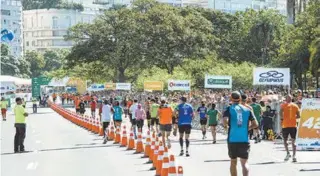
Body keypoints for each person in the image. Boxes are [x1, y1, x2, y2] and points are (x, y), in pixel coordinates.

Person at [223, 91, 258, 176]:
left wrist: (226, 126)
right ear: (240, 99)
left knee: (233, 162)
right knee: (244, 163)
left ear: (231, 99)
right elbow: (256, 124)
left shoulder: (229, 108)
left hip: (232, 139)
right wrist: (247, 128)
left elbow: (225, 120)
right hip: (244, 139)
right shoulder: (248, 109)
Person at [279, 95, 300, 162]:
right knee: (292, 141)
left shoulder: (284, 105)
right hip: (292, 125)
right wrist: (293, 118)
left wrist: (283, 118)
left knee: (286, 141)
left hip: (286, 125)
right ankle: (293, 156)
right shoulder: (295, 105)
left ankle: (289, 154)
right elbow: (299, 116)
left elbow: (280, 113)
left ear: (286, 99)